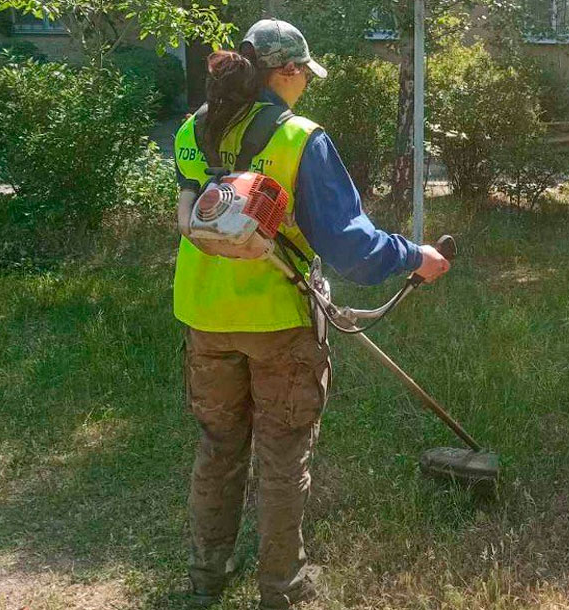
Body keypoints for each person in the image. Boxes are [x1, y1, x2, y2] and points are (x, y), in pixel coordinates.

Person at [172, 18, 450, 610]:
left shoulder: (194, 128)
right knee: (281, 452)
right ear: (289, 71)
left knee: (218, 446)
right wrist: (415, 257)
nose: (305, 85)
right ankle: (283, 586)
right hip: (279, 321)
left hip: (204, 315)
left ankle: (205, 577)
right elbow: (351, 248)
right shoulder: (300, 138)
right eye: (304, 74)